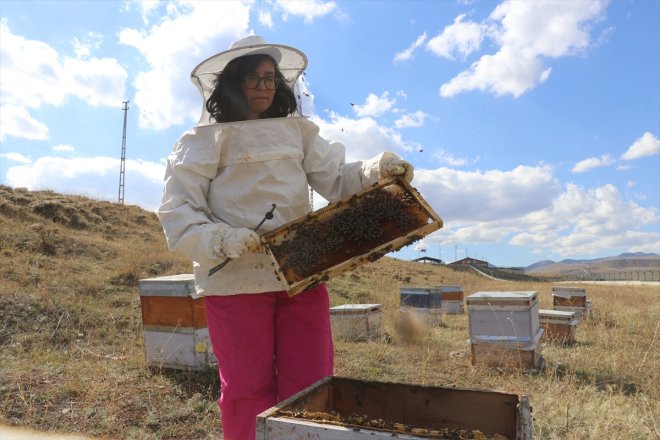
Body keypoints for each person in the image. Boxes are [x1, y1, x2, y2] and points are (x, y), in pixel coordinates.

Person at [157, 35, 414, 440]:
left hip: (301, 273)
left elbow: (338, 178)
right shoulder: (200, 141)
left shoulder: (298, 133)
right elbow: (178, 212)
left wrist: (376, 171)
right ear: (231, 83)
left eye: (270, 79)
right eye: (253, 78)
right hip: (235, 278)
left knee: (310, 385)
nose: (264, 87)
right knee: (246, 390)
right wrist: (222, 238)